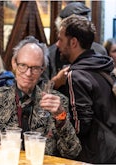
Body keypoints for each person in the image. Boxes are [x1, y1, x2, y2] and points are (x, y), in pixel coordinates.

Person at [0, 36, 81, 159]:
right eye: (23, 65)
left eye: (35, 68)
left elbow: (72, 152)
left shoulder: (57, 102)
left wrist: (61, 117)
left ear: (42, 69)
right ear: (14, 64)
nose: (28, 73)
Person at [56, 14, 116, 163]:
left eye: (61, 39)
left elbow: (80, 127)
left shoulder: (75, 75)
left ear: (74, 42)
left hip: (95, 155)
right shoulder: (103, 66)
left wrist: (60, 119)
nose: (57, 44)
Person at [45, 2, 108, 93]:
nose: (58, 45)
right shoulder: (50, 54)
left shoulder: (99, 51)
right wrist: (56, 81)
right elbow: (40, 92)